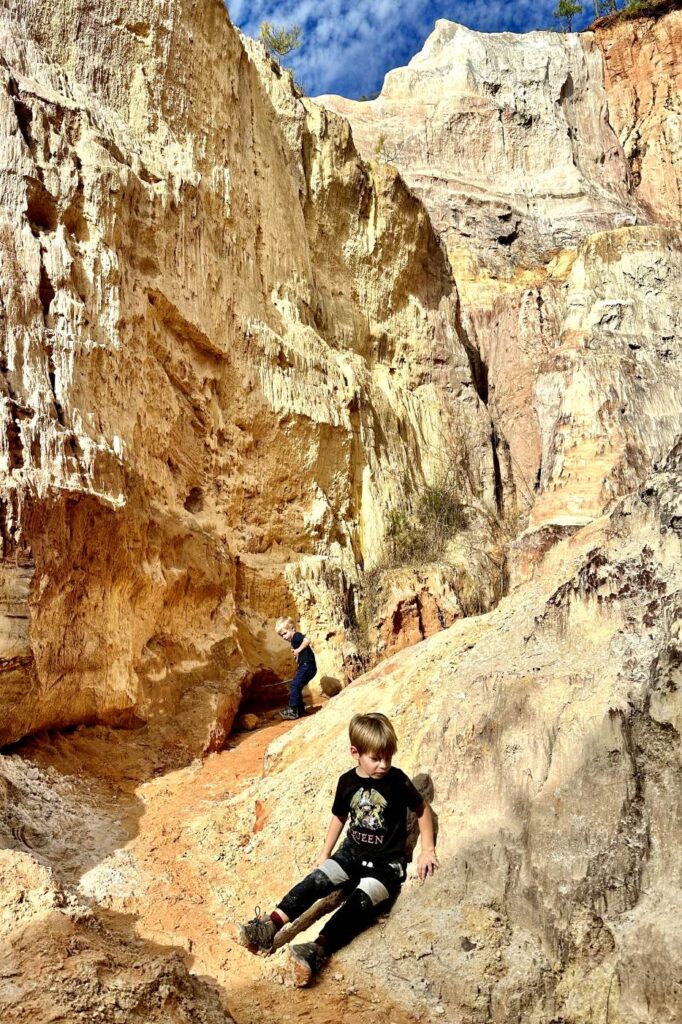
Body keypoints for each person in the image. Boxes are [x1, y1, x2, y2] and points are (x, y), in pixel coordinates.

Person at [236, 712, 438, 986]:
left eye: (388, 758)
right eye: (376, 758)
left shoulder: (398, 781)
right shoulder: (347, 782)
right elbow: (339, 817)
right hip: (351, 854)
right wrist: (325, 853)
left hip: (386, 867)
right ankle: (270, 926)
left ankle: (317, 950)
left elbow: (422, 809)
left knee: (358, 904)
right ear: (355, 753)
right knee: (315, 882)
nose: (383, 765)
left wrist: (428, 849)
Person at [275, 616, 317, 720]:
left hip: (307, 666)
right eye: (281, 636)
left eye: (285, 633)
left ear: (292, 628)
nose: (284, 637)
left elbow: (307, 640)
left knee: (295, 685)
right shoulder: (293, 640)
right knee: (297, 686)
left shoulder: (296, 636)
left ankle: (293, 710)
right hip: (306, 666)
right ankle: (300, 709)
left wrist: (298, 650)